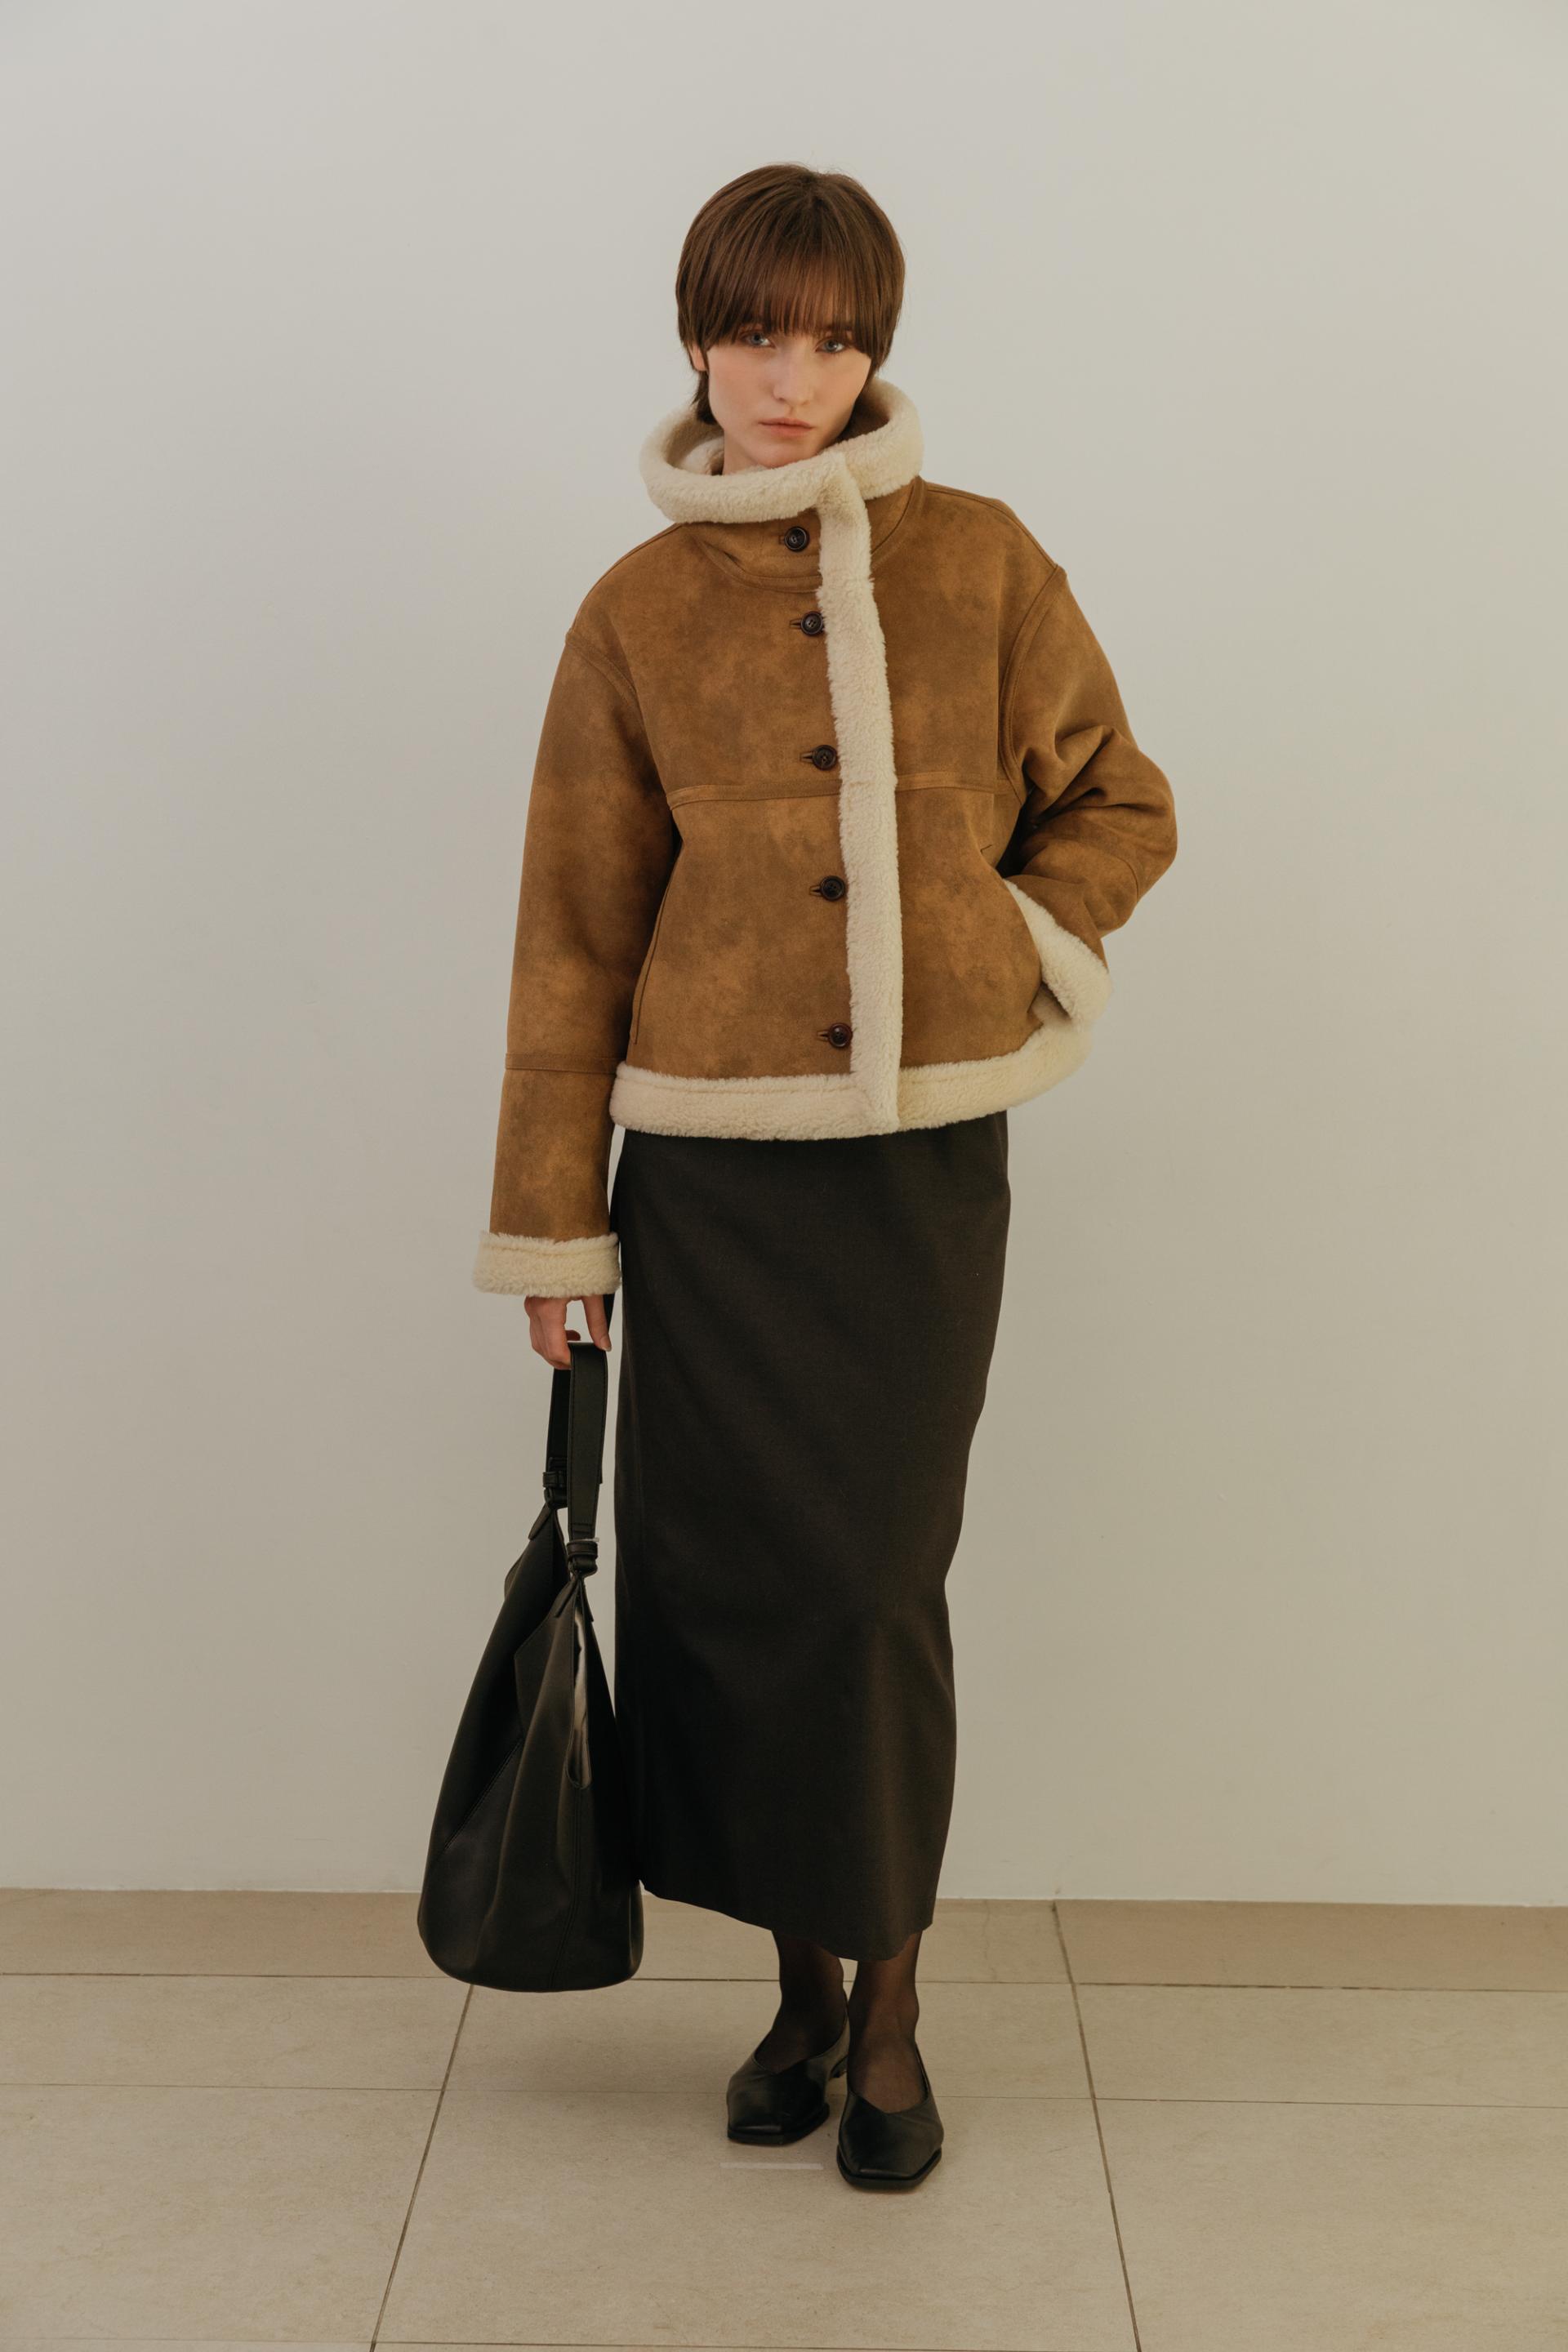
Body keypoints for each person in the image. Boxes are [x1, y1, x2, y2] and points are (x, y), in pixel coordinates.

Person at [473, 163, 1177, 2188]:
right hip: (706, 1185)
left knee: (869, 1593)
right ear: (696, 339)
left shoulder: (984, 561)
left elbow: (1120, 804)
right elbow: (571, 940)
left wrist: (998, 944)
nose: (795, 378)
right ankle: (794, 1996)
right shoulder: (634, 610)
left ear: (878, 350)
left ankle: (890, 2017)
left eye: (837, 339)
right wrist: (556, 1224)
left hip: (913, 1178)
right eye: (758, 334)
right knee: (728, 1594)